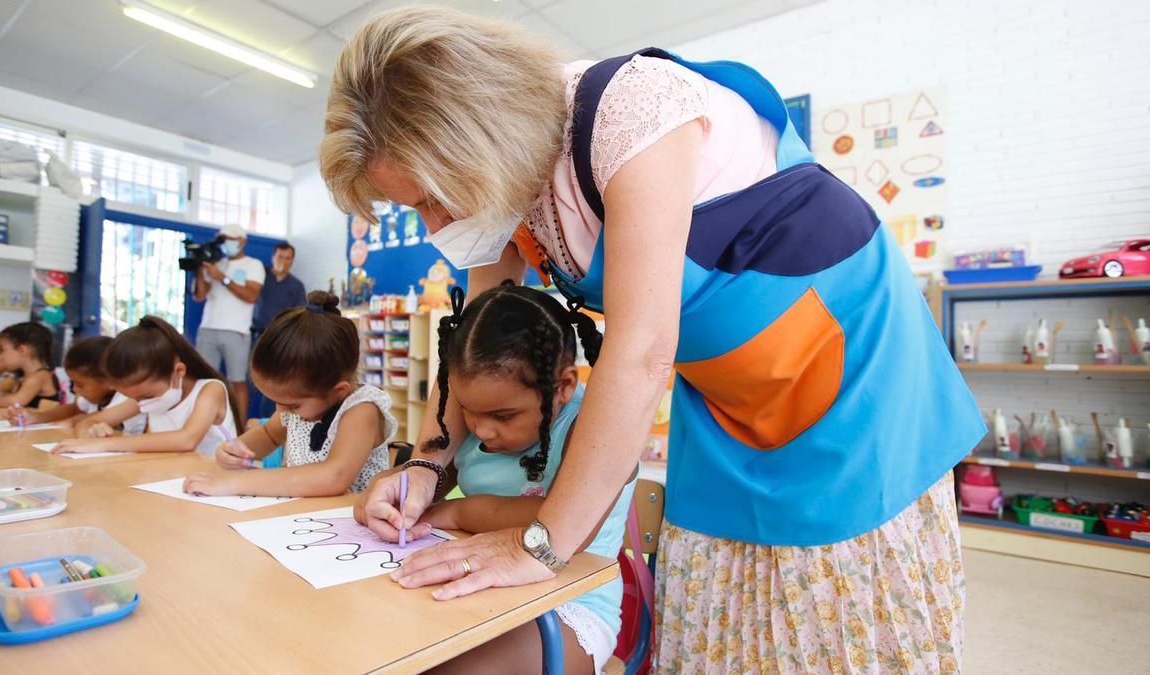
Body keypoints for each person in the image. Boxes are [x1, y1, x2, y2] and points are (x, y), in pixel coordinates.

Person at [322, 7, 982, 674]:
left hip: (851, 375)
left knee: (838, 617)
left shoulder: (631, 112)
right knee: (721, 619)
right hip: (723, 398)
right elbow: (475, 335)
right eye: (415, 208)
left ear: (484, 143)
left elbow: (640, 353)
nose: (433, 225)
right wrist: (427, 467)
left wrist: (540, 544)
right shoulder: (505, 190)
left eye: (432, 198)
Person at [397, 284, 631, 674]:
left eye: (503, 416)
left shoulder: (590, 427)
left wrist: (459, 512)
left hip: (568, 606)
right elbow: (429, 484)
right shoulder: (478, 417)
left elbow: (562, 521)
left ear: (563, 387)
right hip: (483, 585)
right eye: (467, 410)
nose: (482, 430)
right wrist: (396, 491)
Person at [183, 291, 395, 497]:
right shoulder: (299, 407)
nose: (280, 409)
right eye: (276, 401)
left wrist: (235, 482)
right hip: (299, 514)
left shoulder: (361, 410)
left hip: (348, 517)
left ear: (339, 391)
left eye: (293, 405)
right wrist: (235, 450)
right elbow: (269, 434)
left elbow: (333, 477)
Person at [55, 316, 236, 456]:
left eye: (146, 397)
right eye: (135, 399)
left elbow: (187, 440)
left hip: (215, 482)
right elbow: (87, 422)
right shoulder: (147, 399)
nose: (141, 404)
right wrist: (91, 434)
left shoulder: (210, 390)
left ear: (179, 371)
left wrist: (106, 443)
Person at [193, 222, 264, 427]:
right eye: (223, 240)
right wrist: (200, 270)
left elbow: (251, 296)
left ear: (243, 241)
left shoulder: (253, 265)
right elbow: (199, 296)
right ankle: (203, 424)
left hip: (237, 330)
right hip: (208, 328)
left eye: (231, 239)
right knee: (204, 380)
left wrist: (222, 278)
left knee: (236, 381)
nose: (227, 243)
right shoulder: (216, 263)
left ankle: (239, 428)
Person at [5, 336, 144, 435]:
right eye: (73, 383)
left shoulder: (125, 399)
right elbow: (72, 409)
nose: (75, 390)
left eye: (80, 384)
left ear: (109, 382)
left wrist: (73, 421)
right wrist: (37, 417)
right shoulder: (94, 398)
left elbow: (101, 420)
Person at [249, 241, 306, 418]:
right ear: (273, 257)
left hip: (281, 341)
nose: (283, 261)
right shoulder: (261, 277)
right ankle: (248, 421)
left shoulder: (296, 286)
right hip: (257, 336)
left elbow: (299, 315)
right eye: (280, 257)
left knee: (275, 382)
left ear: (292, 261)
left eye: (288, 258)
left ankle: (269, 422)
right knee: (252, 380)